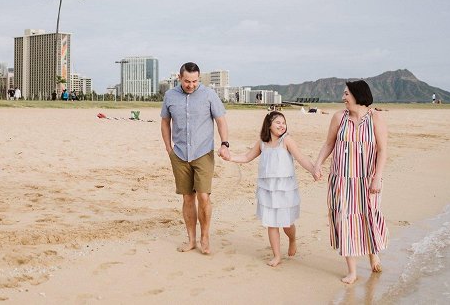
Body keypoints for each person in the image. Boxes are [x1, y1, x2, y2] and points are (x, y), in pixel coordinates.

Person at [314, 80, 388, 284]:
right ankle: (352, 271)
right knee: (345, 220)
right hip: (341, 180)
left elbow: (382, 150)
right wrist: (318, 164)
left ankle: (373, 253)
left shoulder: (375, 118)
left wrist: (377, 178)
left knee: (368, 216)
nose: (343, 97)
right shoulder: (339, 117)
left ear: (357, 95)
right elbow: (329, 143)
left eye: (346, 94)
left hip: (367, 180)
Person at [222, 111, 316, 266]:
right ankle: (277, 255)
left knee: (286, 223)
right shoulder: (262, 142)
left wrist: (313, 170)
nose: (282, 125)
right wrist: (230, 157)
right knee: (271, 223)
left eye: (283, 123)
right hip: (267, 189)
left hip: (284, 188)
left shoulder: (287, 140)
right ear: (269, 125)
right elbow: (247, 157)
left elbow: (301, 158)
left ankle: (292, 239)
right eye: (278, 122)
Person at [161, 62, 230, 255]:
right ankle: (191, 239)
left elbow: (221, 120)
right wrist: (169, 149)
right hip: (180, 154)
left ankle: (205, 237)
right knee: (188, 197)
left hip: (203, 153)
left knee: (203, 196)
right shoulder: (170, 96)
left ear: (198, 78)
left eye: (194, 81)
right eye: (187, 81)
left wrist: (225, 144)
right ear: (179, 78)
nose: (191, 85)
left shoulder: (209, 95)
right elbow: (165, 122)